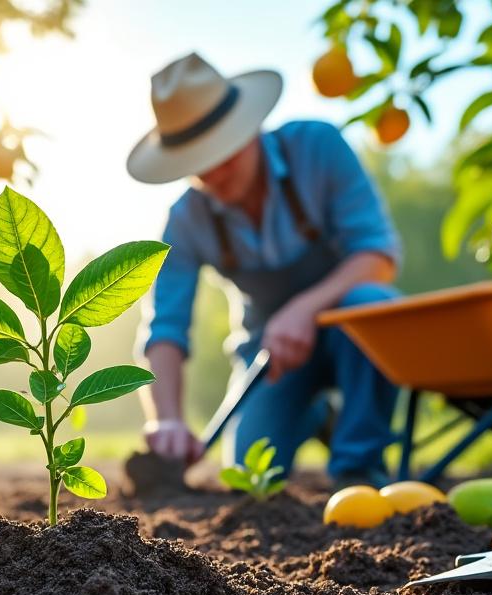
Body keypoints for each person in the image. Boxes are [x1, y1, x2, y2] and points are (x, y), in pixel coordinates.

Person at [126, 52, 401, 488]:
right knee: (248, 474)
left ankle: (358, 467)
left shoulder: (319, 149)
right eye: (199, 162)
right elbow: (165, 328)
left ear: (250, 126)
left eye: (224, 152)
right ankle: (315, 416)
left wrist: (305, 309)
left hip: (355, 329)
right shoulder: (186, 220)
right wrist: (168, 420)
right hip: (270, 352)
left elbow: (378, 255)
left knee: (371, 303)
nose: (215, 171)